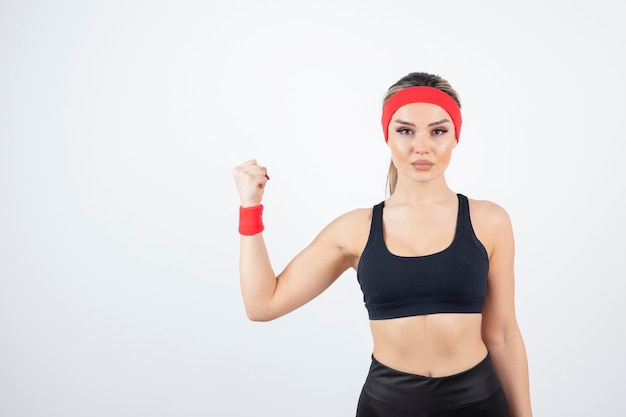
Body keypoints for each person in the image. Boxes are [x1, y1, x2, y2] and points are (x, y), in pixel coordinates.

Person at [232, 72, 532, 417]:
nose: (422, 146)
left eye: (438, 131)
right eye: (405, 130)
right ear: (387, 136)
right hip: (388, 406)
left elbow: (504, 334)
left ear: (455, 137)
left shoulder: (489, 221)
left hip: (478, 403)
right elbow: (262, 305)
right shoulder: (355, 230)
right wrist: (250, 208)